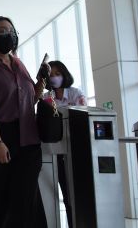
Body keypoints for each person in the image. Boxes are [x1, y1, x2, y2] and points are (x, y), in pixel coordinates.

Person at [0, 16, 48, 228]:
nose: (9, 35)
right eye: (3, 31)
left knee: (26, 202)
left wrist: (39, 86)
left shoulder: (18, 64)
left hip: (28, 139)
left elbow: (29, 100)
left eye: (12, 31)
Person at [45, 60, 86, 228]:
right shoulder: (47, 98)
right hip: (57, 153)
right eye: (51, 75)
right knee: (66, 194)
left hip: (77, 152)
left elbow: (82, 118)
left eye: (57, 74)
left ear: (64, 74)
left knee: (78, 194)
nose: (54, 78)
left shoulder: (76, 93)